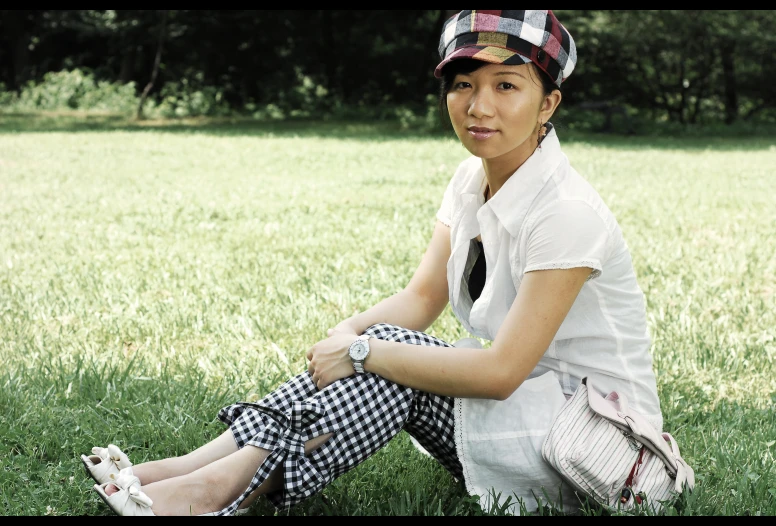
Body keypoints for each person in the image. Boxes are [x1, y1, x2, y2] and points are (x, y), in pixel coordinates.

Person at [82, 9, 663, 516]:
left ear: (548, 103)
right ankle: (191, 468)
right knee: (381, 347)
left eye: (507, 86)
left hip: (602, 456)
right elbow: (420, 299)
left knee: (386, 364)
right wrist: (347, 335)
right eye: (463, 83)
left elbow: (501, 372)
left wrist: (364, 350)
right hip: (529, 420)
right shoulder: (470, 181)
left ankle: (209, 496)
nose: (478, 106)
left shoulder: (565, 212)